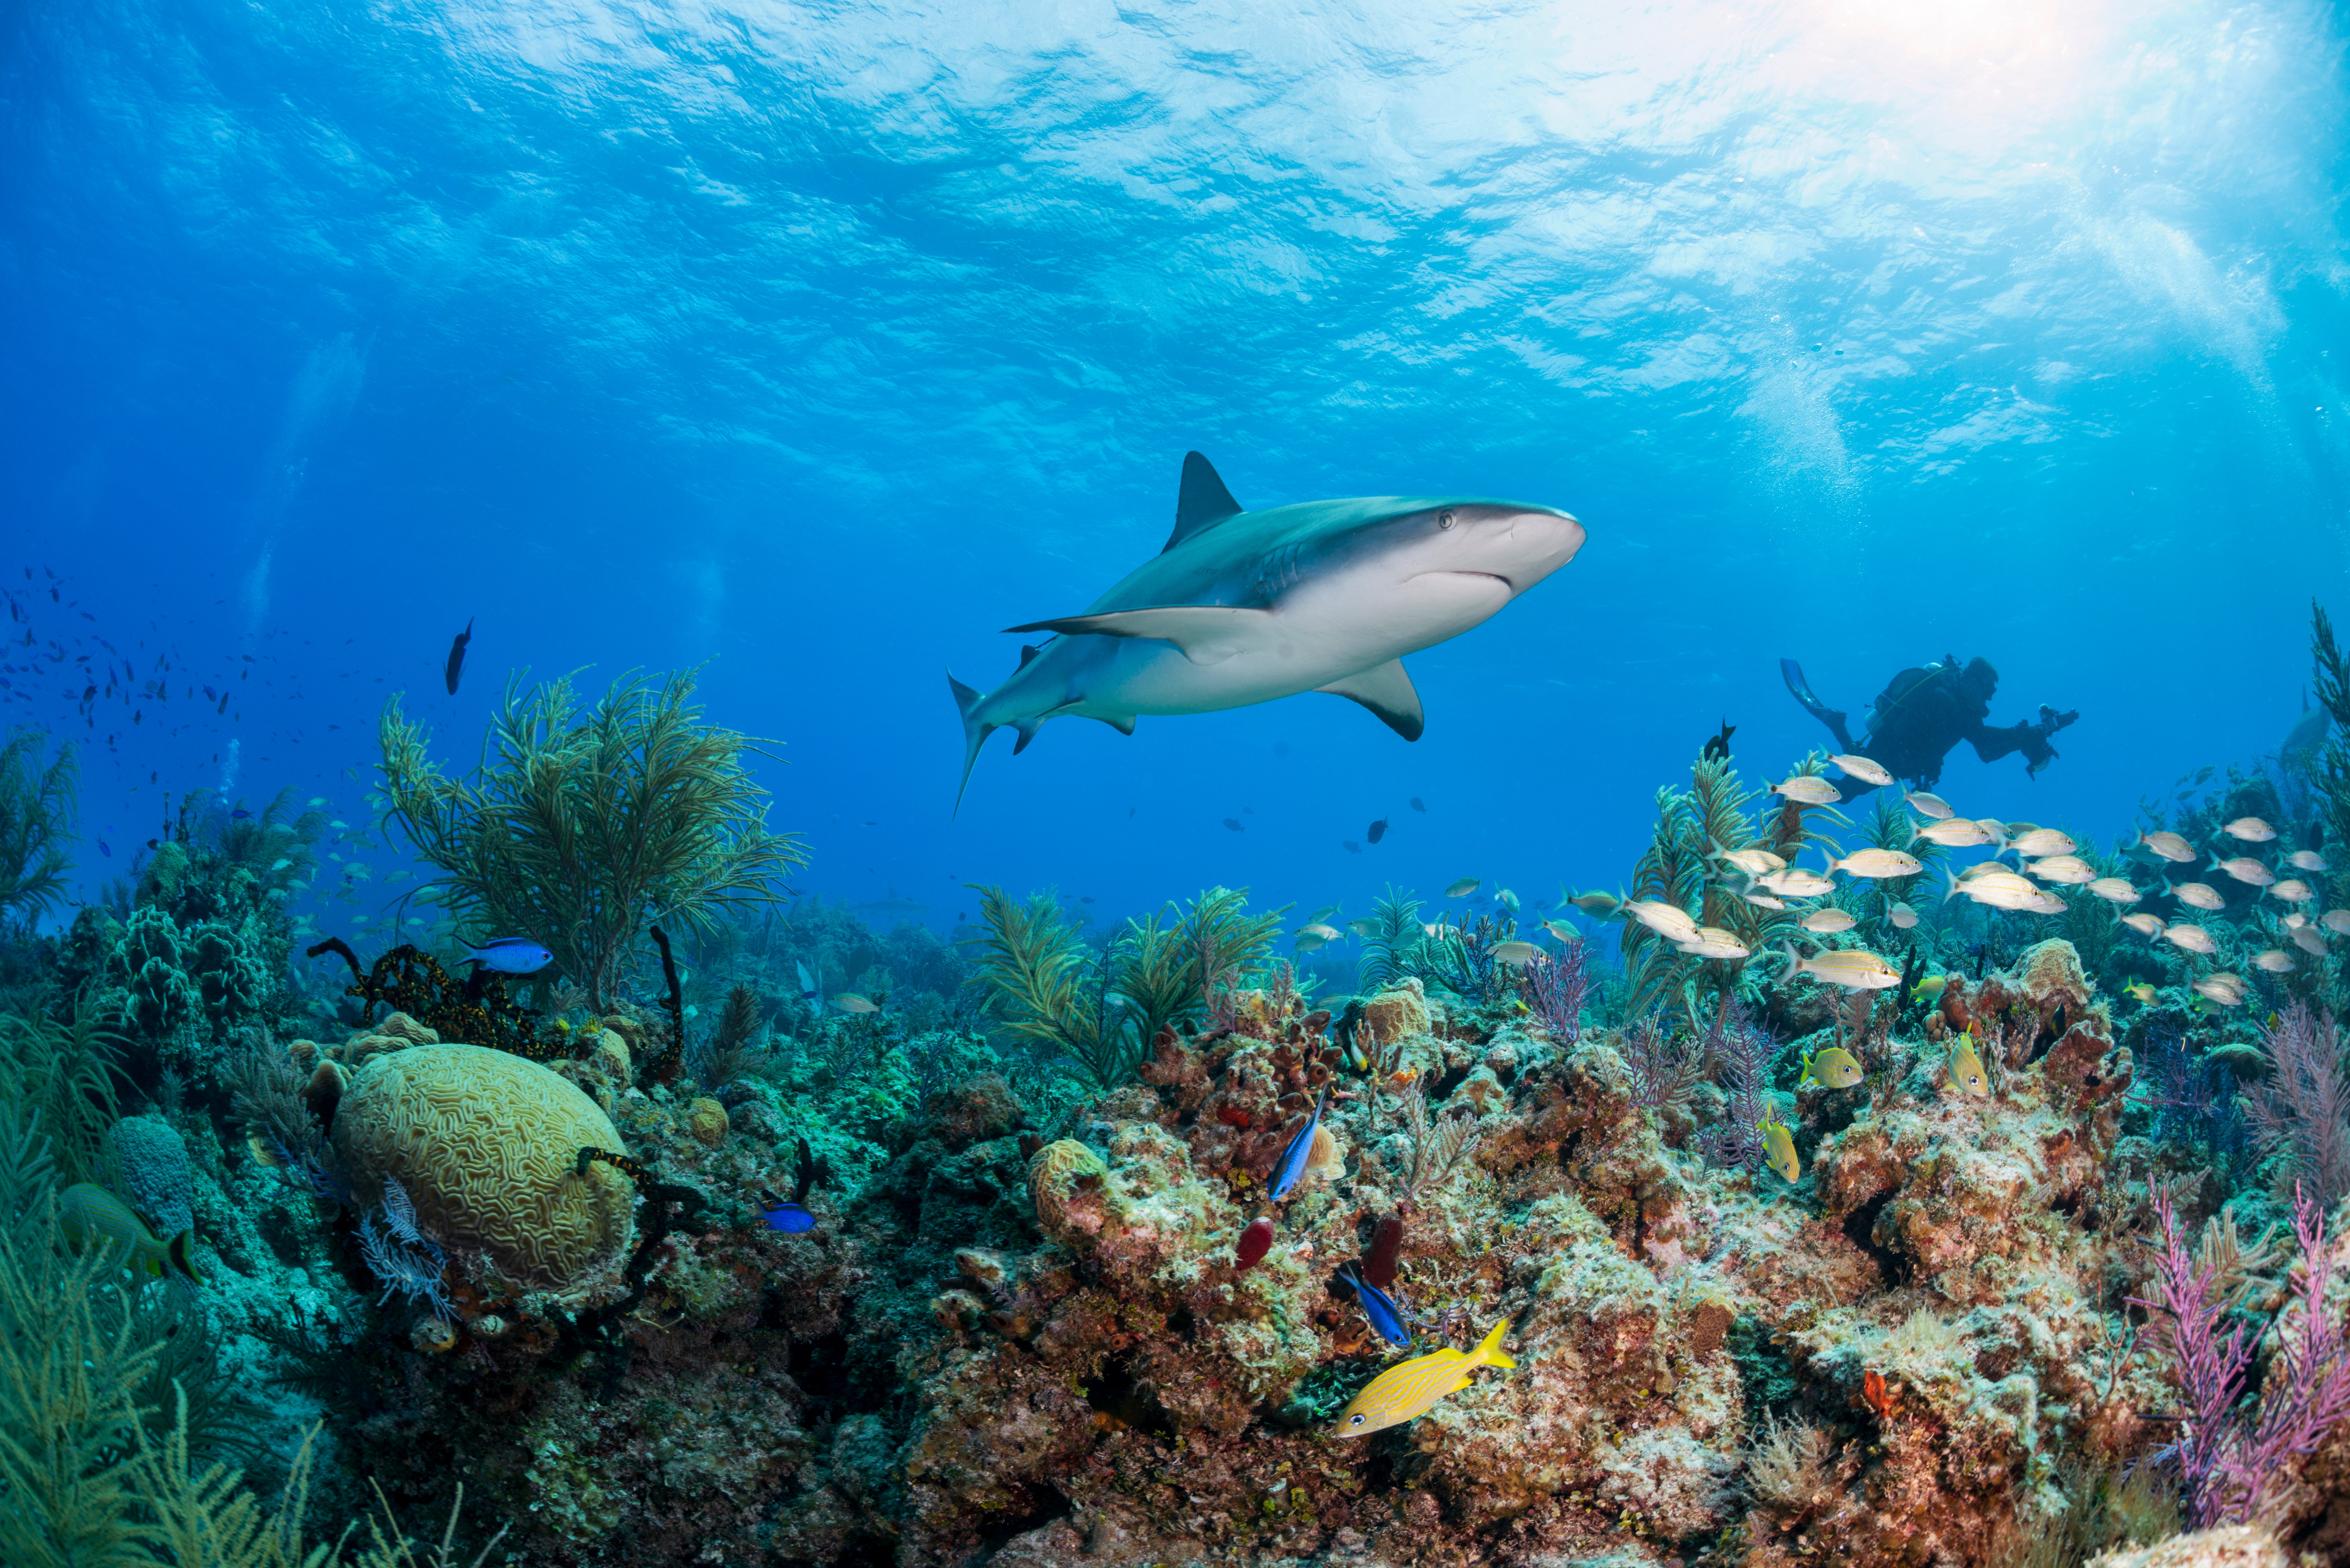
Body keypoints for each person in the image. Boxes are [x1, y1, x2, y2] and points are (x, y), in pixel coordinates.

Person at [1780, 654, 2077, 795]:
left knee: (1849, 788)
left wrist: (2027, 736)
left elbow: (1986, 751)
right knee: (1845, 793)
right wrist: (2030, 734)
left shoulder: (1965, 708)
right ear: (1972, 680)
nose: (1989, 697)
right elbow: (1983, 740)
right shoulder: (1944, 698)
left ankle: (1835, 728)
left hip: (1906, 760)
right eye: (1987, 689)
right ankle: (1795, 787)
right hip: (1893, 751)